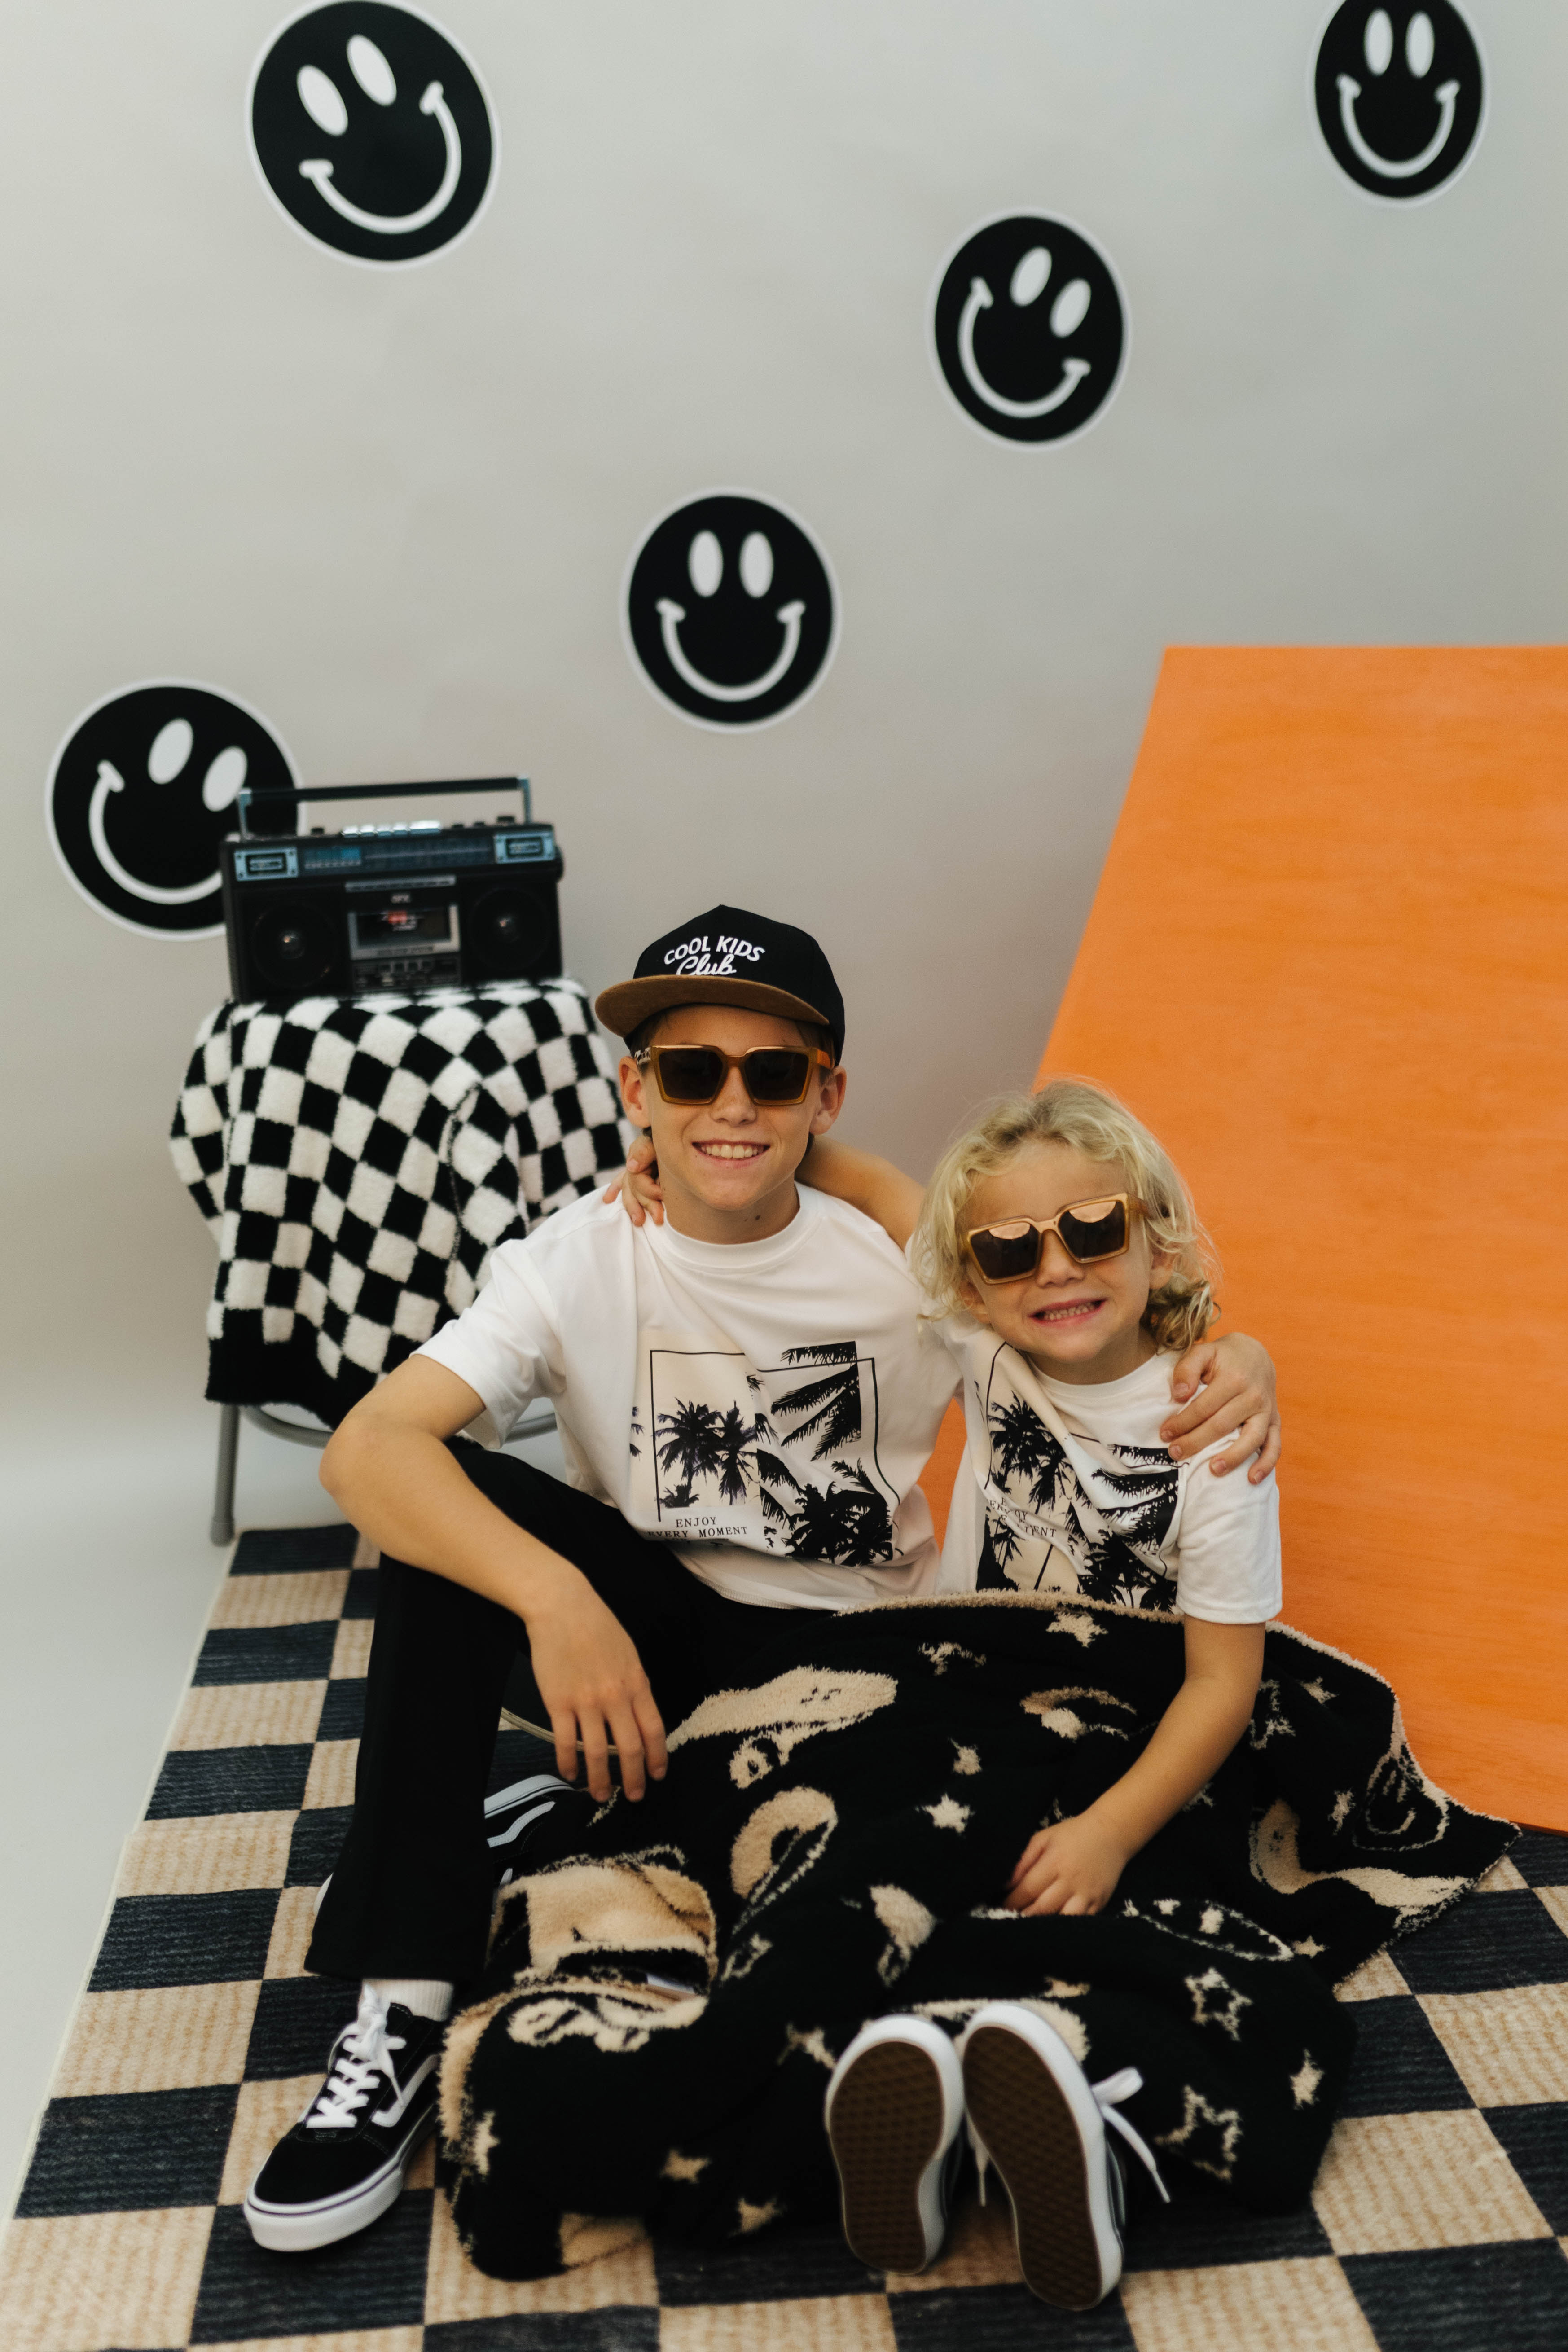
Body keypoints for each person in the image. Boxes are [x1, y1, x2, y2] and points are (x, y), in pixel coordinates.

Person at [242, 914, 1278, 2255]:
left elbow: (1087, 1298)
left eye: (772, 1078)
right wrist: (560, 1602)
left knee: (897, 1885)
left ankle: (640, 1860)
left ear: (826, 1096)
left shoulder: (914, 1266)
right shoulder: (573, 1258)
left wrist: (1238, 1354)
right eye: (689, 1076)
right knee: (448, 1508)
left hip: (877, 1666)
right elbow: (366, 1448)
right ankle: (400, 1996)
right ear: (635, 1091)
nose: (731, 1105)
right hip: (646, 1640)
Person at [791, 1077, 1281, 2307]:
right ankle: (922, 2105)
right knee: (875, 1839)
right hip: (970, 1691)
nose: (1054, 1268)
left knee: (1136, 1912)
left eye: (1094, 1229)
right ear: (969, 1284)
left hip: (1126, 1736)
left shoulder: (1211, 1431)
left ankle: (1092, 2130)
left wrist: (1115, 1828)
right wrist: (686, 1158)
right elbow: (858, 1176)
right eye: (1009, 1248)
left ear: (1158, 1239)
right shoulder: (986, 1343)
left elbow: (1223, 1685)